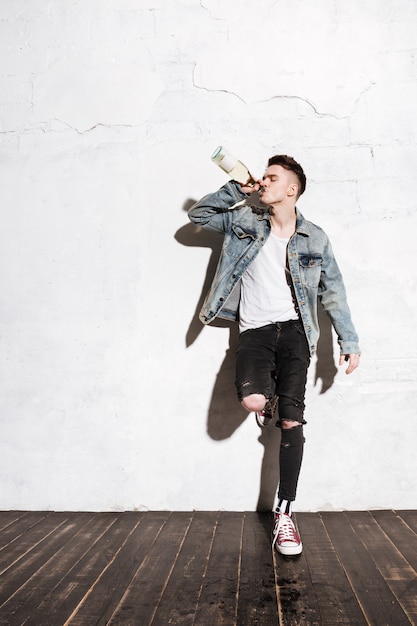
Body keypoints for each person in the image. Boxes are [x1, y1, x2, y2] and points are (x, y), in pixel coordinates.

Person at [188, 154, 360, 556]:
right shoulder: (244, 220)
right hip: (255, 331)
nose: (263, 182)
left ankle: (285, 514)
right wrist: (237, 190)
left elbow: (332, 290)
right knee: (253, 399)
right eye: (263, 176)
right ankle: (268, 402)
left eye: (271, 178)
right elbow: (199, 216)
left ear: (291, 190)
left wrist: (347, 340)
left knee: (292, 419)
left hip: (297, 334)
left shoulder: (315, 237)